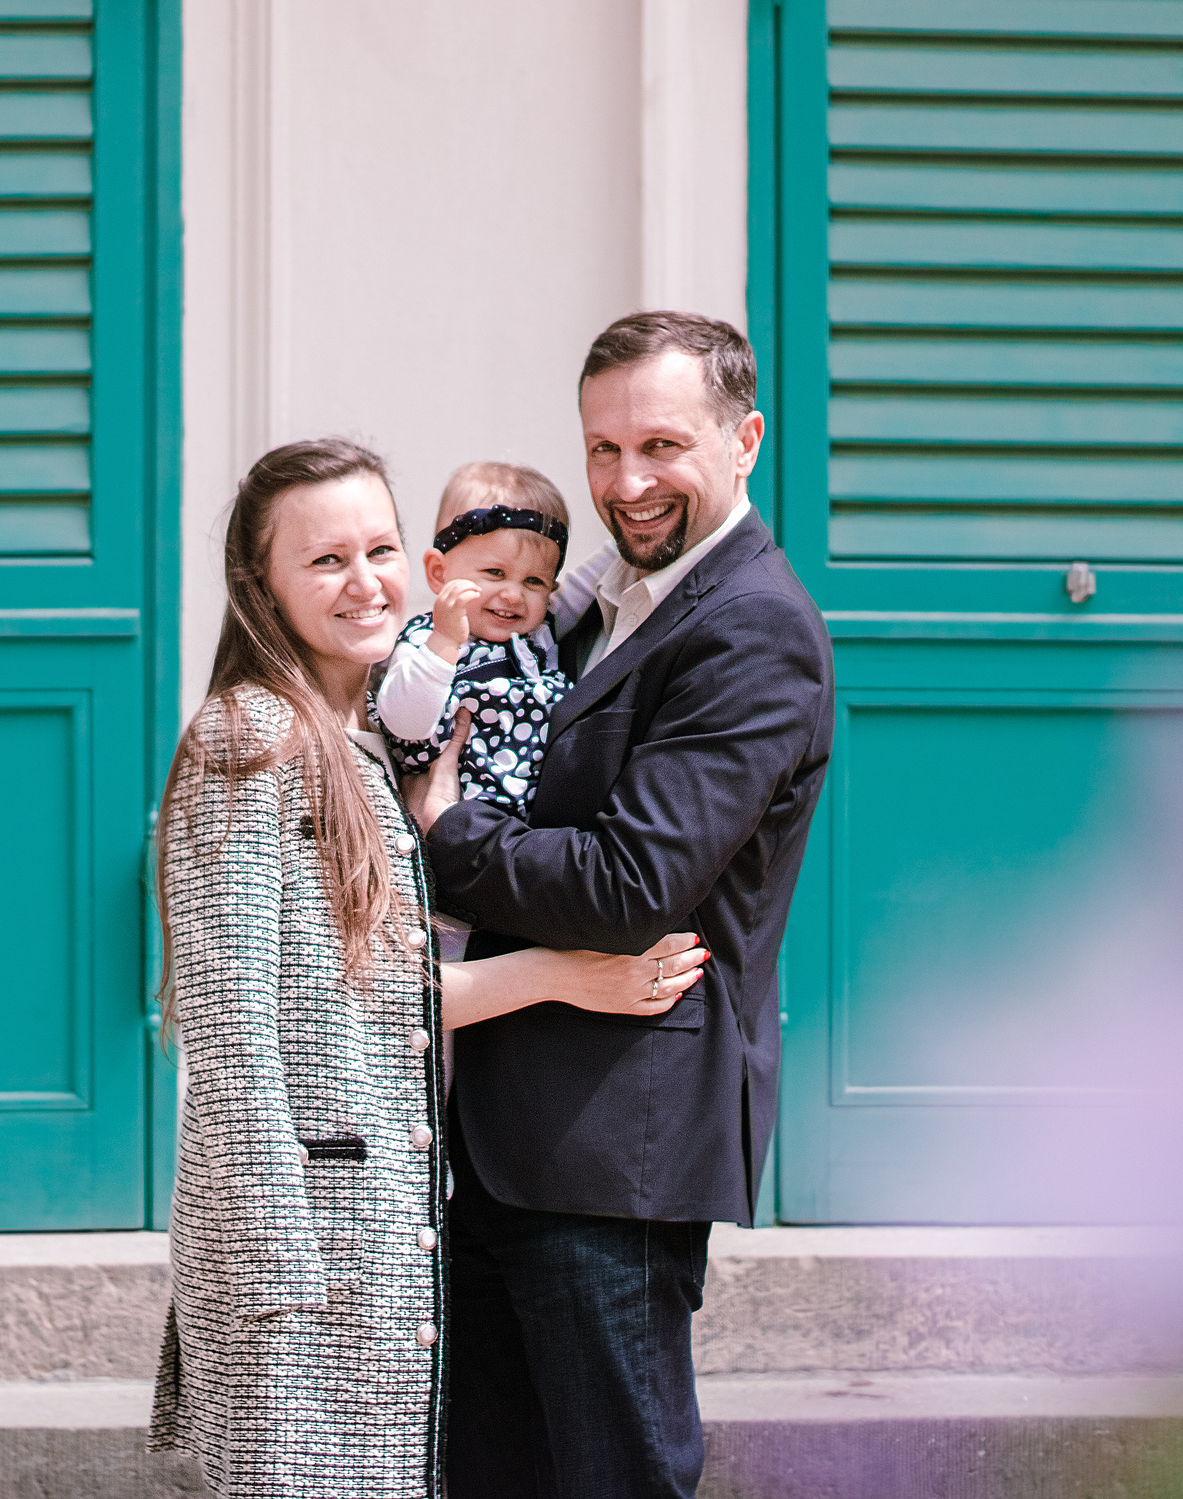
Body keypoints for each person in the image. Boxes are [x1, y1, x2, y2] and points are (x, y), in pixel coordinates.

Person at [147, 437, 711, 1499]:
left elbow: (357, 998)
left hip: (376, 1249)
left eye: (382, 548)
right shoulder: (246, 738)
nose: (365, 583)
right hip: (303, 1262)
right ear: (257, 584)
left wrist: (561, 973)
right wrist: (278, 1273)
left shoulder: (357, 735)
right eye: (324, 561)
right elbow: (230, 1030)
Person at [407, 313, 836, 1499]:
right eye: (601, 449)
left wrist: (444, 831)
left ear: (745, 439)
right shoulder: (588, 602)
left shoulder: (754, 628)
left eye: (660, 444)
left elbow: (628, 883)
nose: (626, 482)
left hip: (614, 1144)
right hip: (501, 1142)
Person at [372, 460, 574, 813]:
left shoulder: (539, 638)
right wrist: (445, 642)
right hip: (451, 829)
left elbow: (603, 576)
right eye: (495, 573)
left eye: (533, 581)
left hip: (523, 836)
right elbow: (404, 722)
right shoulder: (425, 640)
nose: (513, 594)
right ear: (439, 572)